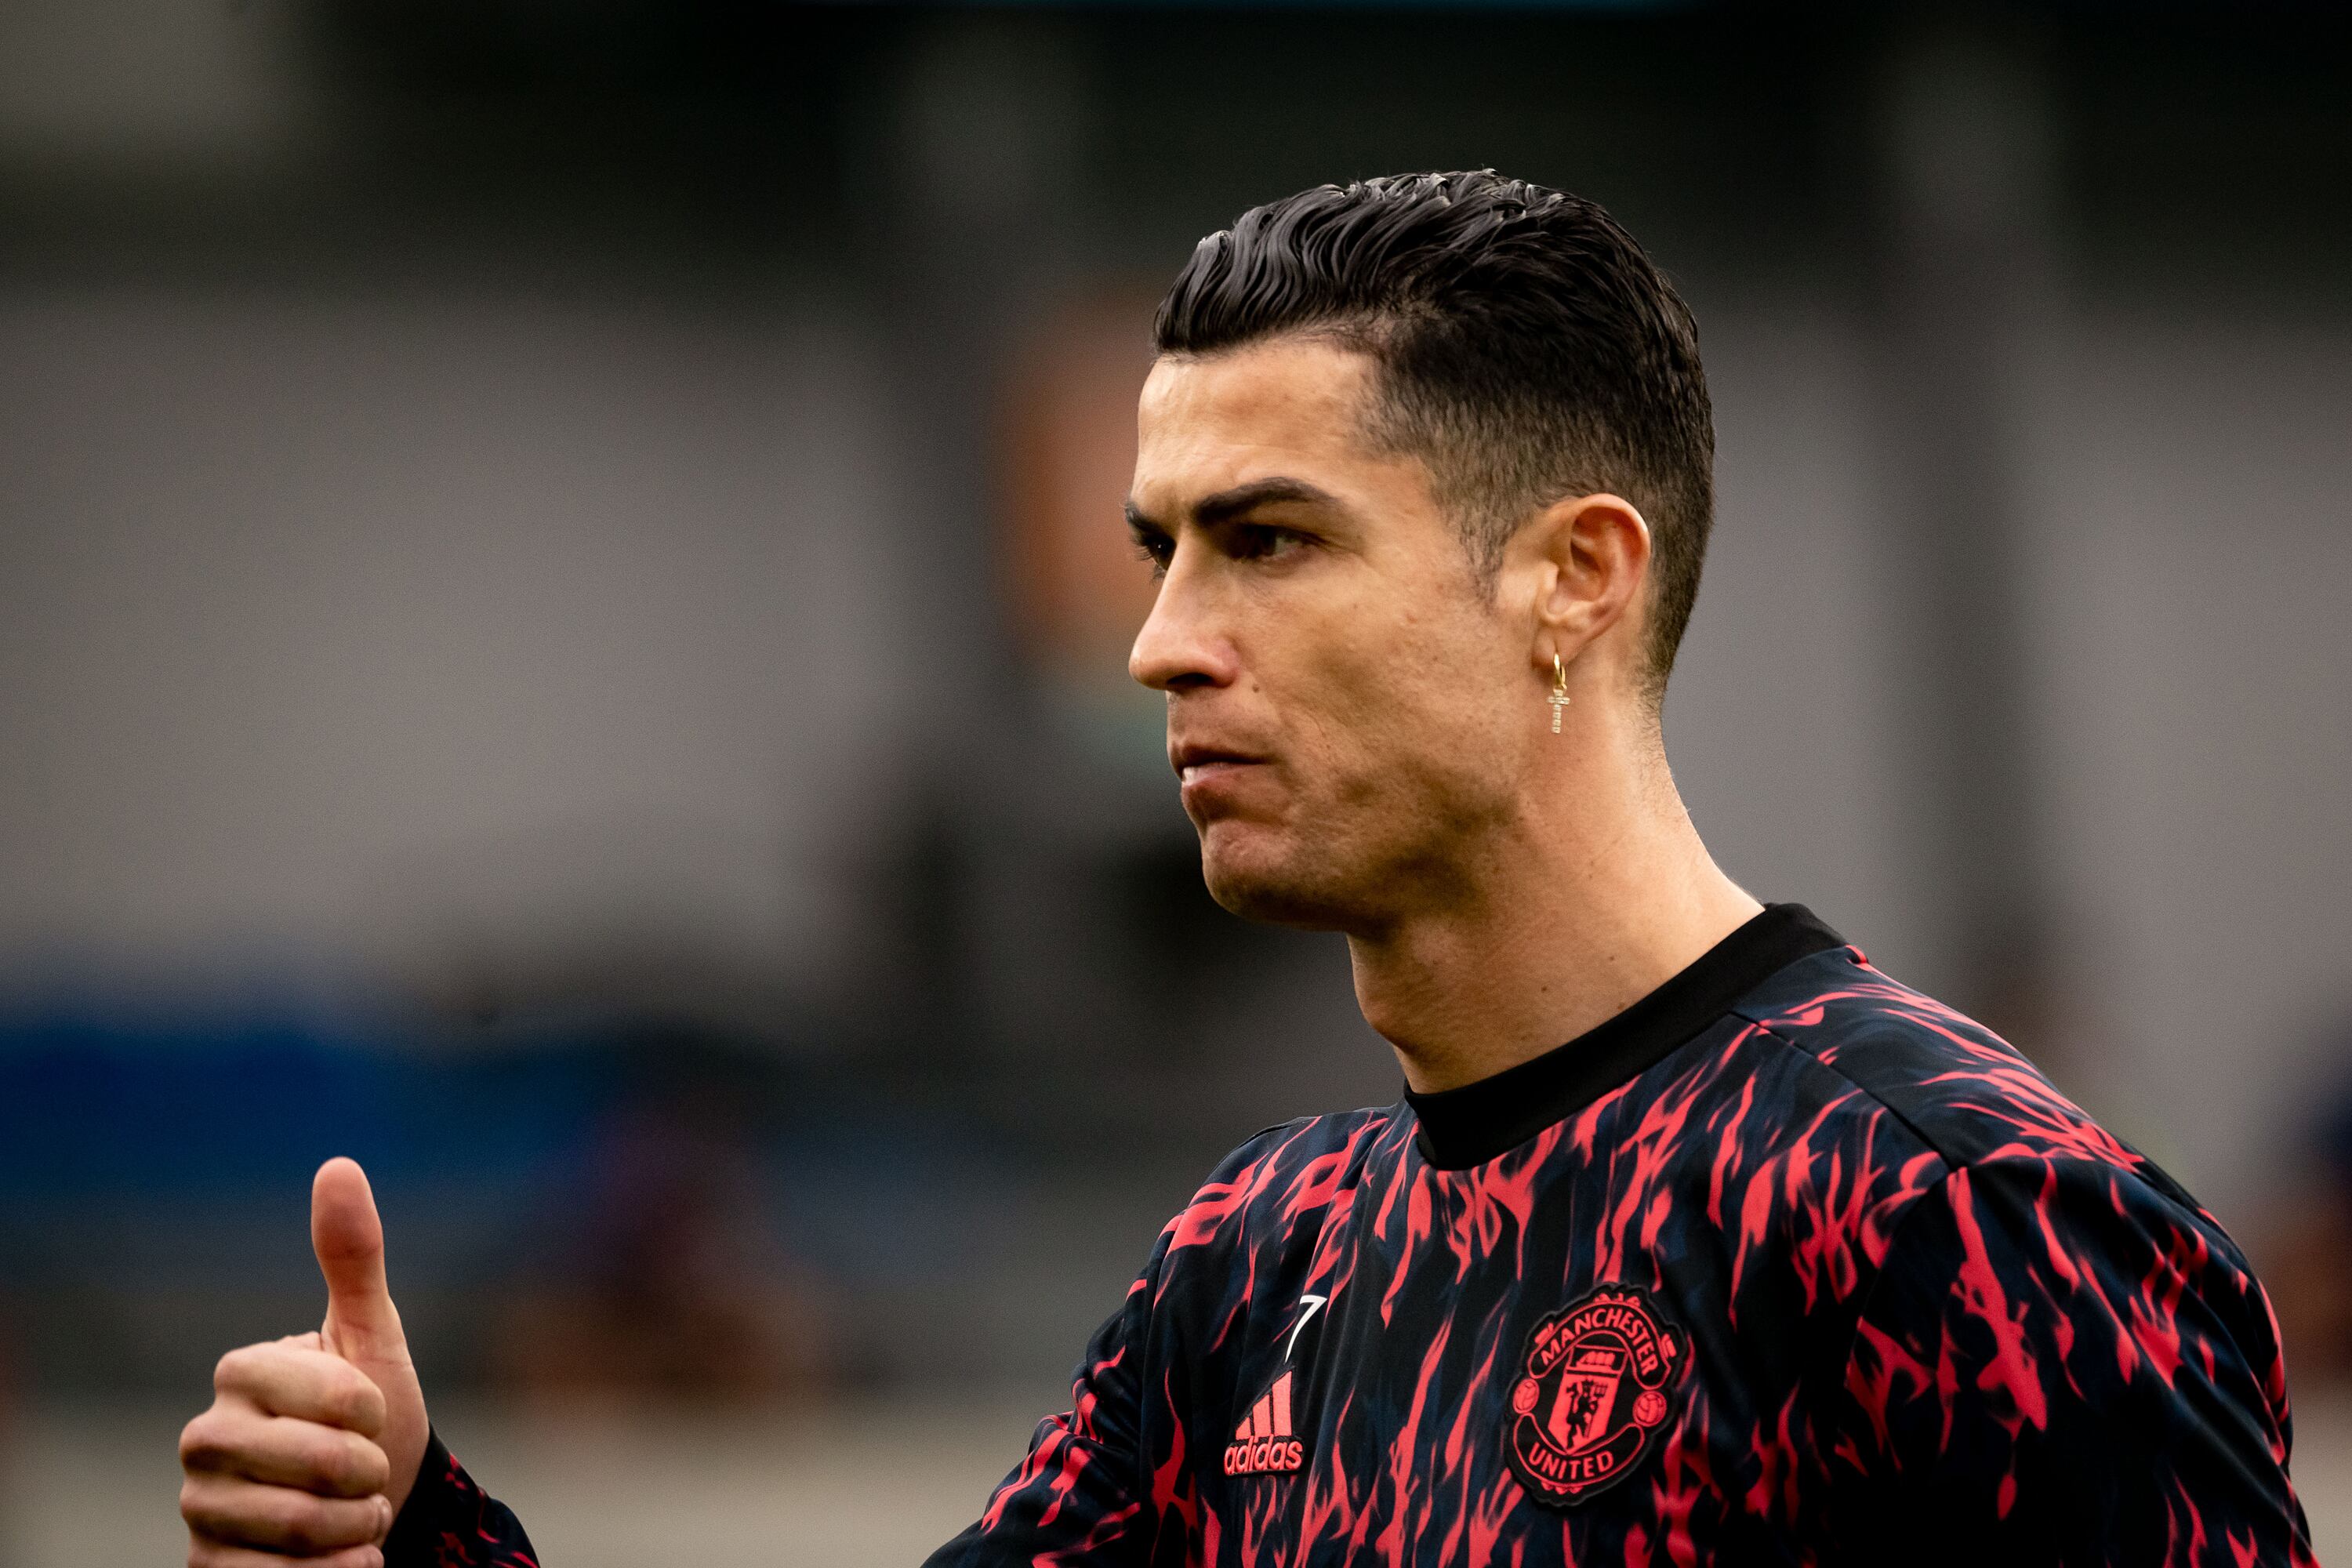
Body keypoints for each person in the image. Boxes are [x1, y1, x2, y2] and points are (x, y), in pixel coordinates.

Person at [176, 172, 2315, 1567]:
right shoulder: (1258, 1265)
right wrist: (401, 1540)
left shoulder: (1953, 1218)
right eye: (1160, 550)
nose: (1157, 643)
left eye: (1267, 541)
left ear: (1573, 581)